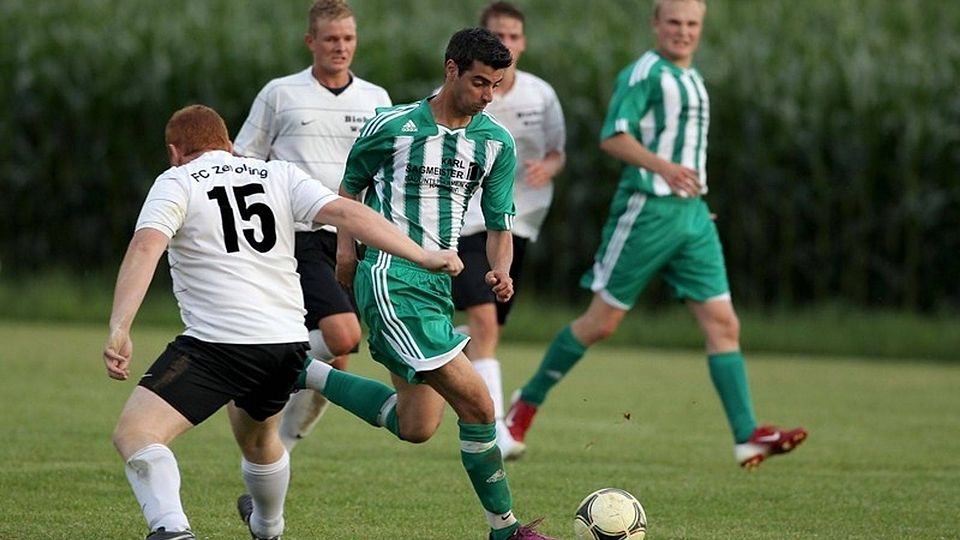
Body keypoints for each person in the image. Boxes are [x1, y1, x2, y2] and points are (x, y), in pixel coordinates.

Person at [104, 104, 461, 540]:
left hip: (219, 344)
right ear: (229, 145)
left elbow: (145, 248)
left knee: (136, 433)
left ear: (174, 151)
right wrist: (423, 255)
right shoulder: (277, 174)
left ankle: (172, 530)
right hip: (286, 343)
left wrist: (120, 326)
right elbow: (349, 214)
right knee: (256, 440)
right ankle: (268, 527)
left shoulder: (175, 181)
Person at [505, 0, 808, 469]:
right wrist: (664, 170)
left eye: (691, 24)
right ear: (655, 24)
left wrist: (694, 199)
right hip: (646, 211)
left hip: (691, 216)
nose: (683, 32)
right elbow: (613, 136)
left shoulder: (692, 77)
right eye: (674, 22)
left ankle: (747, 436)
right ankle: (522, 409)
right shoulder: (644, 74)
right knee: (600, 324)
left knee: (724, 325)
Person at [295, 28, 555, 540]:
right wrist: (346, 252)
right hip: (391, 279)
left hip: (437, 289)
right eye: (479, 82)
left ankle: (297, 368)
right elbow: (350, 190)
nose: (487, 96)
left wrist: (501, 269)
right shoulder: (391, 125)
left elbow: (500, 224)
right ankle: (506, 529)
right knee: (480, 405)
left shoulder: (493, 142)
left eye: (496, 85)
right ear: (451, 68)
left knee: (416, 427)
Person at [233, 0, 392, 451]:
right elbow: (245, 160)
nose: (340, 47)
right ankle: (260, 361)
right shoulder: (280, 93)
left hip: (353, 235)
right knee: (342, 334)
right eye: (331, 39)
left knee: (337, 356)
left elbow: (383, 169)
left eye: (348, 39)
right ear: (311, 42)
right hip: (295, 234)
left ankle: (279, 449)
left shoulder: (376, 99)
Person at [451, 1, 566, 461]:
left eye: (515, 36)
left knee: (488, 326)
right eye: (499, 35)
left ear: (524, 41)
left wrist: (548, 168)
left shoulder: (541, 95)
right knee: (484, 321)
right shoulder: (466, 91)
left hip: (521, 222)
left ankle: (449, 344)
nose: (508, 44)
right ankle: (494, 425)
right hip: (468, 219)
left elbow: (559, 152)